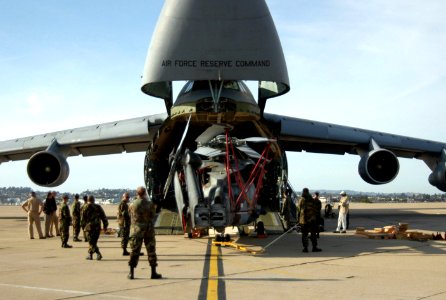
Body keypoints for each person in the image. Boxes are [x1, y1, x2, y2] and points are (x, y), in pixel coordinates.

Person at [127, 186, 162, 280]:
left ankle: (131, 273)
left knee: (134, 250)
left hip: (136, 230)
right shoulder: (150, 204)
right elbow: (153, 214)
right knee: (151, 251)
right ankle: (153, 272)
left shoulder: (132, 204)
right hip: (148, 229)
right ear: (145, 193)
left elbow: (130, 214)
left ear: (137, 193)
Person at [81, 195, 108, 260]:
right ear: (94, 200)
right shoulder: (98, 207)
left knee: (91, 242)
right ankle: (90, 255)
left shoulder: (85, 207)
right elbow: (104, 217)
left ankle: (98, 254)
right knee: (93, 241)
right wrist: (105, 226)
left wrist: (83, 227)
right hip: (97, 227)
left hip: (89, 227)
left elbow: (82, 219)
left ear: (87, 200)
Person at [296, 188, 322, 253]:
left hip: (304, 220)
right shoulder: (312, 199)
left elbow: (298, 210)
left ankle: (305, 248)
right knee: (313, 234)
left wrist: (298, 220)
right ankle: (314, 247)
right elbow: (315, 210)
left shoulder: (301, 200)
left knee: (304, 234)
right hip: (312, 220)